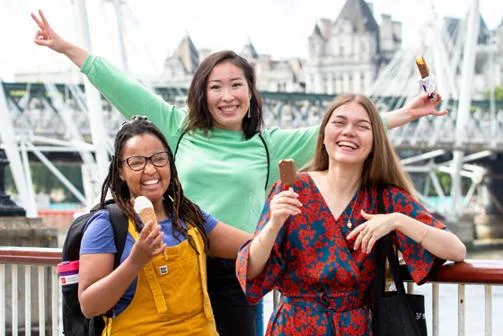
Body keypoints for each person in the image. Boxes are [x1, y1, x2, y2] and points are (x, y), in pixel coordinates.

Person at [32, 10, 448, 336]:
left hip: (239, 274)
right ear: (201, 93)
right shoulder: (176, 129)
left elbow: (344, 130)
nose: (227, 96)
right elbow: (120, 86)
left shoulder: (271, 146)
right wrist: (67, 49)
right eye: (216, 86)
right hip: (175, 268)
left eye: (237, 85)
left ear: (251, 93)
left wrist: (408, 114)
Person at [236, 93, 466, 335]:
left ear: (375, 140)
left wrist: (398, 220)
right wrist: (273, 225)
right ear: (323, 135)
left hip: (354, 327)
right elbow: (251, 270)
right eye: (339, 123)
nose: (348, 132)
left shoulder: (384, 198)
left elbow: (456, 250)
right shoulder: (292, 188)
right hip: (294, 326)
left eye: (362, 126)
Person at [78, 116, 250, 335]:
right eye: (137, 162)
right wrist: (135, 261)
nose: (150, 170)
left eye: (159, 159)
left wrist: (276, 224)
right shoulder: (106, 225)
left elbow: (250, 247)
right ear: (120, 171)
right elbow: (89, 305)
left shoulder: (190, 217)